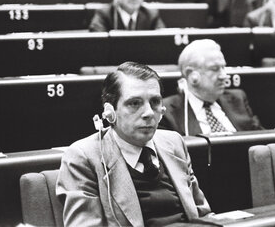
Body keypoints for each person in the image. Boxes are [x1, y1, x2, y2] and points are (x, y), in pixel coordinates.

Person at [56, 62, 211, 225]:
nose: (149, 113)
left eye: (155, 102)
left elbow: (203, 215)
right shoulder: (83, 157)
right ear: (110, 112)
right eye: (134, 103)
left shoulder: (174, 142)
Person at [161, 40, 263, 136]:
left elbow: (262, 137)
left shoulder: (238, 99)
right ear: (191, 75)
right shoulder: (166, 111)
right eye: (215, 69)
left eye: (223, 67)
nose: (224, 75)